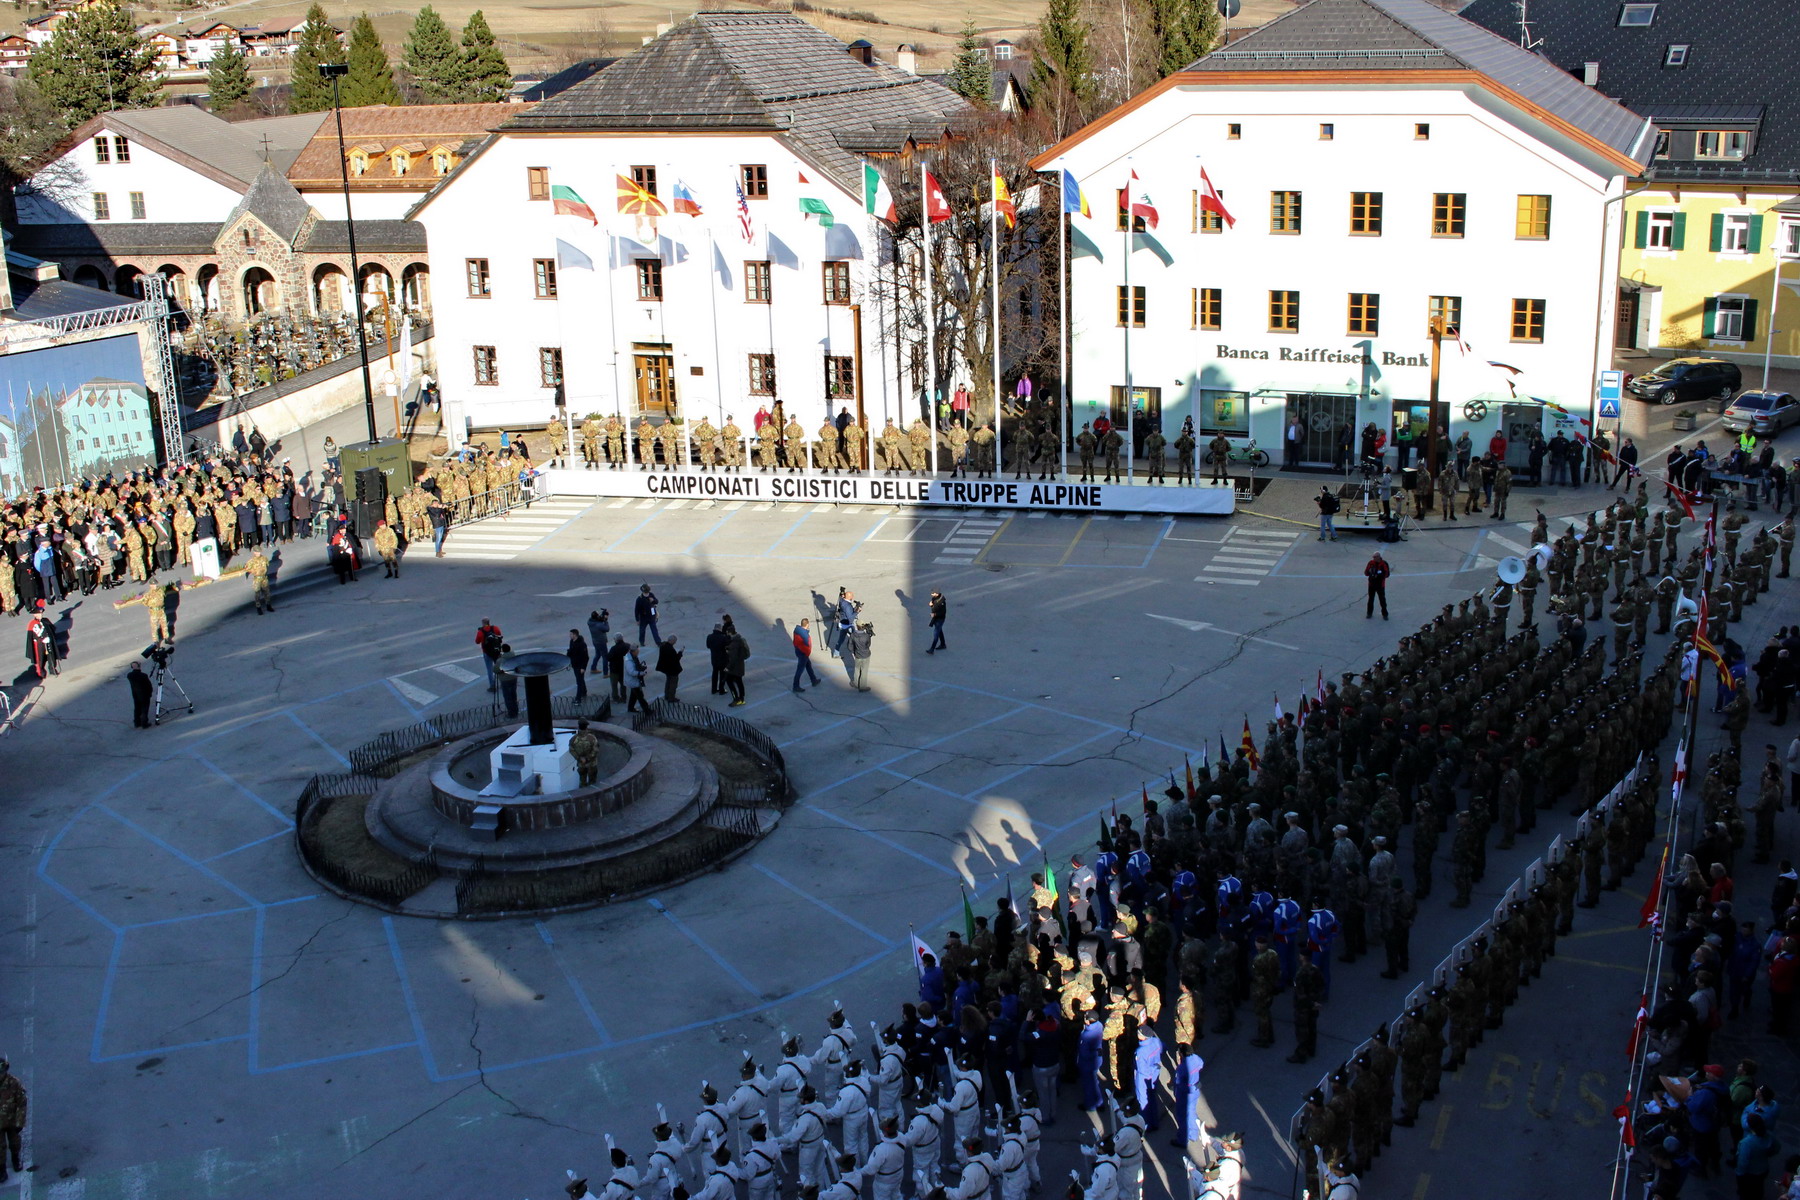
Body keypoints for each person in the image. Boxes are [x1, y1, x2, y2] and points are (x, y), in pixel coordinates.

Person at [0, 1058, 25, 1183]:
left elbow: (21, 1104)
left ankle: (16, 1159)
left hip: (11, 1121)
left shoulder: (14, 1083)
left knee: (15, 1143)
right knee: (0, 1148)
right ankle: (2, 1169)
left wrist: (19, 1122)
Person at [792, 618, 822, 693]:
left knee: (808, 665)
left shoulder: (796, 630)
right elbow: (807, 646)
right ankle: (795, 686)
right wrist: (807, 654)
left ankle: (813, 680)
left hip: (799, 651)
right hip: (803, 654)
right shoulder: (805, 635)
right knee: (800, 670)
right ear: (807, 624)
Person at [846, 621, 874, 692]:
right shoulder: (866, 636)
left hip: (857, 655)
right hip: (865, 655)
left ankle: (855, 683)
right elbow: (868, 645)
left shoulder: (853, 635)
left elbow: (850, 646)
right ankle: (862, 686)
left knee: (857, 669)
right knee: (864, 671)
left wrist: (853, 651)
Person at [477, 618, 504, 691]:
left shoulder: (480, 631)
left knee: (489, 669)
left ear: (483, 623)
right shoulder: (495, 628)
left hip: (487, 652)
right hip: (496, 651)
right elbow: (499, 635)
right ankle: (502, 683)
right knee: (499, 667)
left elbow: (477, 641)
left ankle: (492, 686)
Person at [127, 660, 154, 728]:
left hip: (135, 694)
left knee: (137, 708)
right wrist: (150, 693)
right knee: (144, 708)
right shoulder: (143, 675)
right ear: (139, 666)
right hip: (144, 694)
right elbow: (149, 685)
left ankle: (137, 722)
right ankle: (144, 723)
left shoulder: (129, 675)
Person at [624, 645, 651, 714]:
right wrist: (641, 673)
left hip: (633, 680)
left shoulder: (632, 657)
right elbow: (631, 672)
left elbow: (635, 667)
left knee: (634, 695)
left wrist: (640, 667)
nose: (638, 652)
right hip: (633, 681)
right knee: (640, 697)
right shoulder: (629, 661)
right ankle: (647, 711)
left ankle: (630, 708)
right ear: (633, 652)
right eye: (637, 651)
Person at [1364, 550, 1391, 620]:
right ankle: (1369, 613)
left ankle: (1385, 614)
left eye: (1375, 557)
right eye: (1373, 557)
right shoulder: (1370, 563)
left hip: (1380, 586)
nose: (1374, 558)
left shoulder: (1384, 564)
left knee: (1382, 600)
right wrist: (1370, 571)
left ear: (1379, 557)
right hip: (1371, 585)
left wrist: (1380, 573)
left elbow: (1387, 575)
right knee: (1370, 600)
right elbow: (1366, 573)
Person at [657, 636, 684, 702]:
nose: (675, 642)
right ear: (672, 641)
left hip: (666, 668)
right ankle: (671, 697)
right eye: (674, 641)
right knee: (673, 684)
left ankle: (667, 695)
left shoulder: (663, 646)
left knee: (668, 681)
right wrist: (680, 652)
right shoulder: (670, 649)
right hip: (672, 669)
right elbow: (676, 659)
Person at [498, 643, 520, 718]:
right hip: (513, 678)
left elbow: (496, 669)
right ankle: (516, 710)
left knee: (508, 697)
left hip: (505, 680)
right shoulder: (514, 656)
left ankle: (511, 713)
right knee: (513, 695)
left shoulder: (501, 660)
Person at [568, 628, 589, 699]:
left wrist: (583, 667)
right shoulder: (572, 641)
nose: (569, 635)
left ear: (575, 635)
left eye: (571, 634)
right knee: (580, 679)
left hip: (580, 665)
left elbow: (585, 657)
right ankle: (584, 691)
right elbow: (571, 651)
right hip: (574, 664)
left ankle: (578, 698)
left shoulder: (582, 644)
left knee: (579, 682)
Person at [927, 590, 948, 654]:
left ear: (937, 594)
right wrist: (931, 606)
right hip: (936, 618)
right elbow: (934, 609)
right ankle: (943, 644)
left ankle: (932, 649)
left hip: (940, 619)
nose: (931, 594)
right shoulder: (934, 598)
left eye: (933, 593)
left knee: (936, 634)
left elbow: (942, 612)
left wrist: (934, 614)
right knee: (939, 631)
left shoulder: (942, 602)